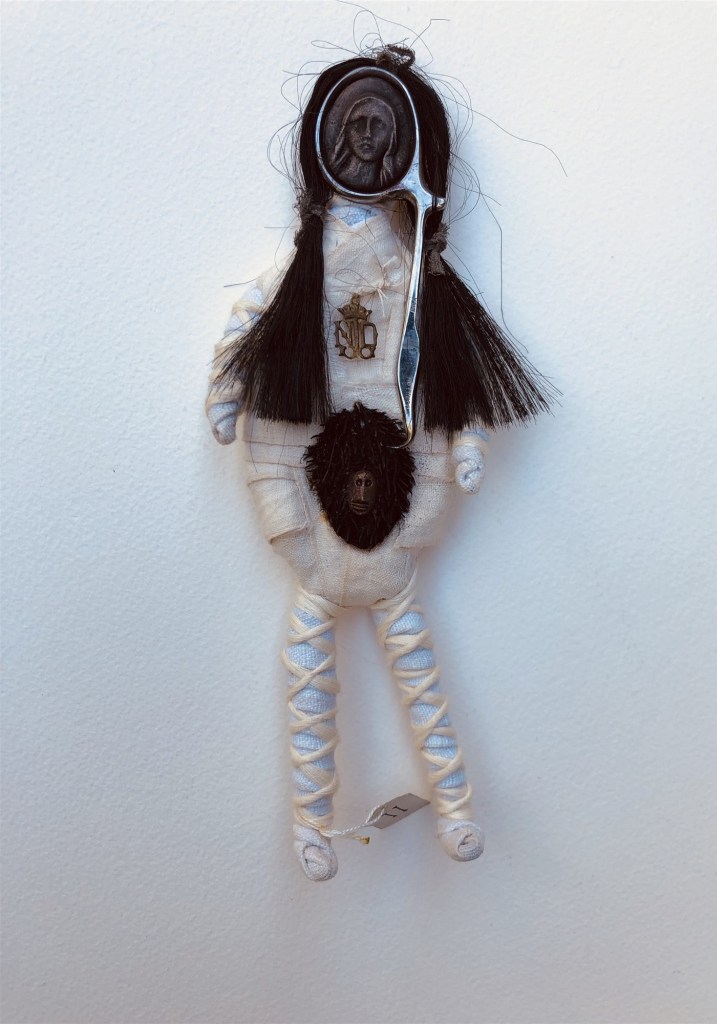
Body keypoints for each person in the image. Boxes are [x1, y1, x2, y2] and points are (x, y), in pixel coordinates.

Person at [207, 46, 552, 881]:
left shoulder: (415, 269)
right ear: (328, 142)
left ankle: (448, 808)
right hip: (306, 499)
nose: (366, 144)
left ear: (407, 147)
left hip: (400, 499)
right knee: (384, 659)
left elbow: (452, 375)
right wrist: (228, 389)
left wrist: (465, 440)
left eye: (379, 129)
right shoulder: (305, 274)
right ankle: (321, 821)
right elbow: (250, 324)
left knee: (373, 658)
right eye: (354, 128)